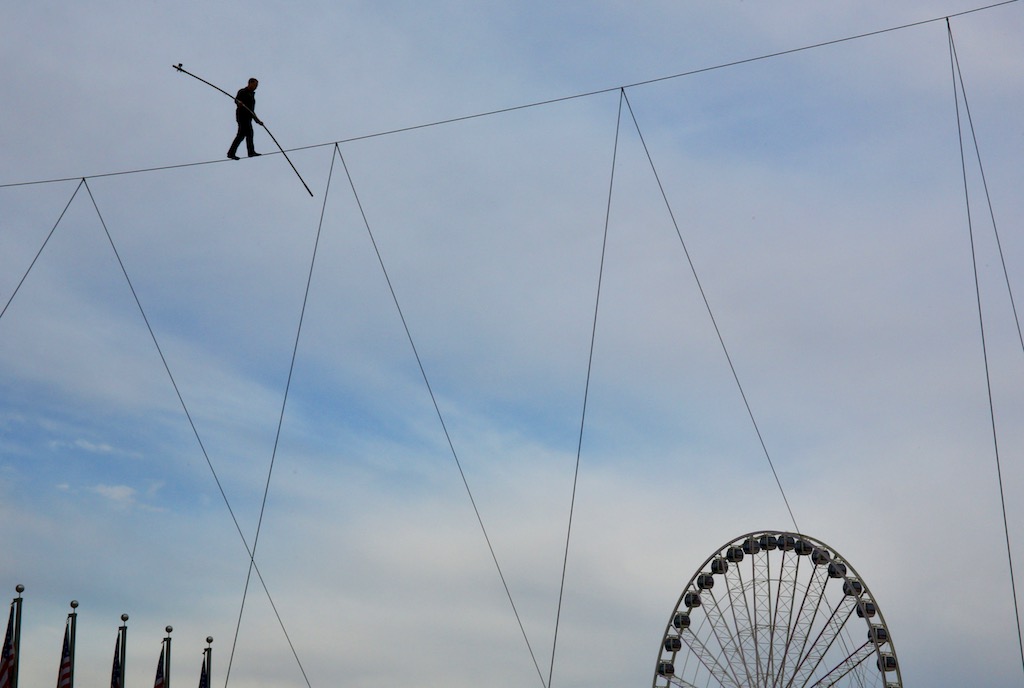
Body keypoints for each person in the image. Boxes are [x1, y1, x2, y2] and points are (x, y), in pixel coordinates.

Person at [227, 78, 263, 159]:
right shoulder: (242, 91)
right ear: (249, 83)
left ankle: (232, 153)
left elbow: (252, 111)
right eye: (255, 84)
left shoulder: (252, 98)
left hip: (248, 118)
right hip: (242, 116)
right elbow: (236, 100)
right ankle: (250, 152)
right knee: (248, 133)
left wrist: (258, 121)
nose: (256, 87)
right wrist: (239, 102)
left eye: (257, 85)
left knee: (242, 135)